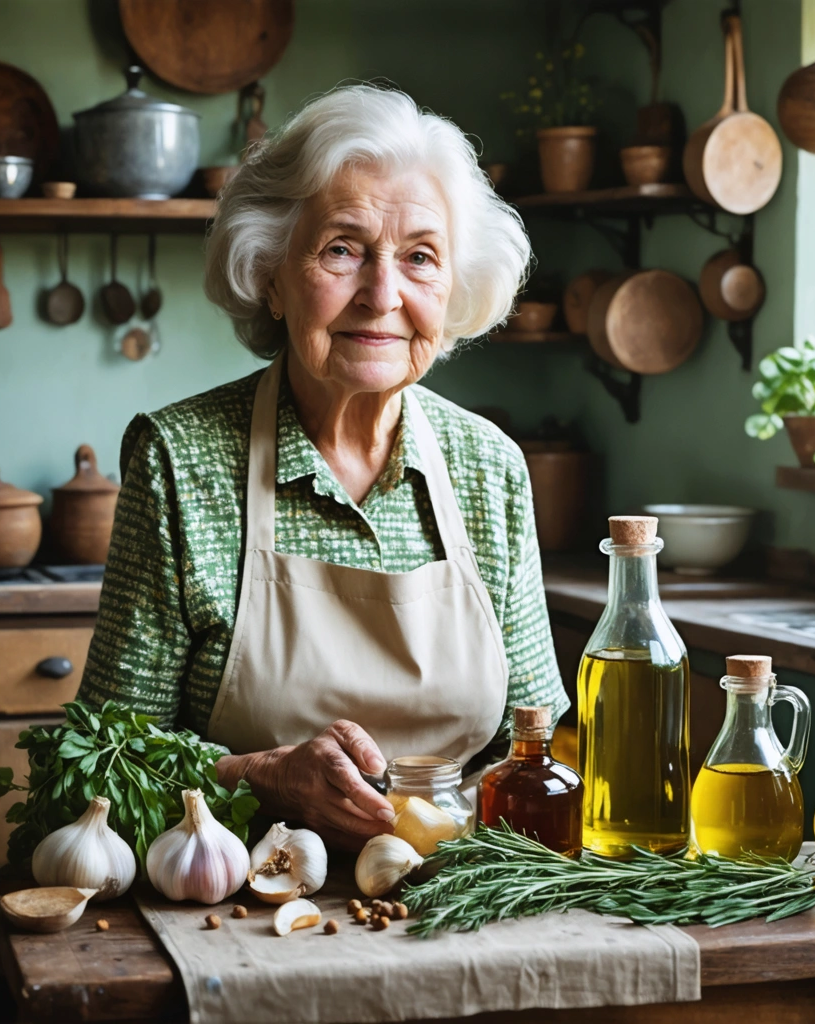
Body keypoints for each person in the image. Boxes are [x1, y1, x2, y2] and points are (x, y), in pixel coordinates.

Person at [78, 85, 568, 849]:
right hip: (247, 895)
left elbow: (539, 744)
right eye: (342, 249)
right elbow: (100, 767)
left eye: (420, 258)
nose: (383, 295)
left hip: (456, 891)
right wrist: (260, 777)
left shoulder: (490, 467)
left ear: (454, 290)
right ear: (271, 274)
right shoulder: (182, 461)